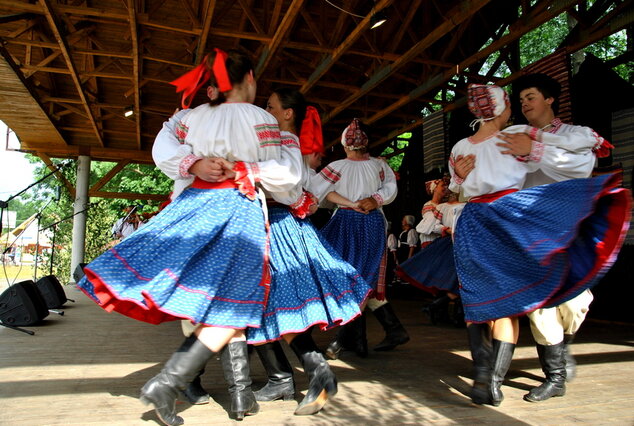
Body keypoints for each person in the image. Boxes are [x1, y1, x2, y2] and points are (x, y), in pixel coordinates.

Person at [77, 49, 297, 425]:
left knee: (209, 303)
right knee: (235, 305)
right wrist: (247, 168)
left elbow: (162, 150)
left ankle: (174, 383)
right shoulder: (261, 118)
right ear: (249, 79)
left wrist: (194, 163)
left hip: (191, 208)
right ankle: (178, 383)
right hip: (237, 209)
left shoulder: (188, 118)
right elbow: (287, 178)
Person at [152, 86, 372, 416]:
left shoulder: (284, 140)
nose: (263, 109)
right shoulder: (268, 136)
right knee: (268, 309)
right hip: (267, 222)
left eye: (270, 106)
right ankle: (285, 378)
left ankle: (316, 375)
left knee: (275, 308)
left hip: (277, 225)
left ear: (287, 113)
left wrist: (241, 171)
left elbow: (291, 188)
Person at [448, 83, 630, 407]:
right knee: (538, 305)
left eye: (530, 97)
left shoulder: (561, 134)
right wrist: (462, 179)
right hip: (521, 228)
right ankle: (554, 375)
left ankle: (558, 351)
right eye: (519, 100)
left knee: (574, 304)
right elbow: (470, 182)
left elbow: (583, 165)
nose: (524, 103)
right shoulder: (512, 135)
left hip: (565, 221)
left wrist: (535, 148)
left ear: (549, 99)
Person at [311, 118, 409, 357]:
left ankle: (343, 339)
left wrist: (372, 200)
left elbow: (317, 189)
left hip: (358, 221)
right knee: (354, 277)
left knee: (359, 278)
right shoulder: (371, 165)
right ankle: (359, 339)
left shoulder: (346, 166)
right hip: (355, 220)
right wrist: (362, 201)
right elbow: (317, 189)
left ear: (344, 145)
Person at [397, 179, 465, 323]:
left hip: (444, 243)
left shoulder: (442, 206)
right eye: (442, 186)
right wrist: (445, 229)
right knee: (443, 278)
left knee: (448, 278)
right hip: (436, 244)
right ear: (434, 188)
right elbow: (428, 226)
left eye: (447, 187)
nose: (445, 188)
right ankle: (440, 312)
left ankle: (443, 312)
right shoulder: (431, 206)